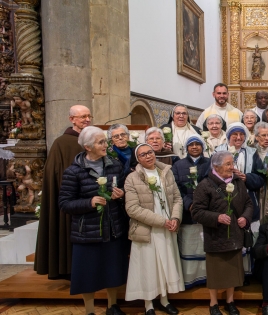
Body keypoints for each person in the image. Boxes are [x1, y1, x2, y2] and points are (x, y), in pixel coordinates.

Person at [58, 126, 129, 315]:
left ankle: (112, 306)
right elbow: (65, 203)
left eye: (105, 141)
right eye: (101, 142)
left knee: (113, 270)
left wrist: (121, 195)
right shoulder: (73, 172)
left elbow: (124, 191)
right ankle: (89, 310)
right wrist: (89, 202)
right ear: (88, 147)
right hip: (87, 231)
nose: (106, 145)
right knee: (87, 274)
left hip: (113, 226)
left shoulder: (115, 165)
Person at [124, 144, 184, 315]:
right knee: (148, 266)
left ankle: (165, 300)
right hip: (147, 229)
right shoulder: (132, 178)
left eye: (150, 152)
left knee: (165, 264)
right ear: (138, 159)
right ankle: (148, 304)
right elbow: (132, 209)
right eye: (143, 154)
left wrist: (175, 218)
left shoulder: (166, 171)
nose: (148, 156)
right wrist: (161, 221)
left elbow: (177, 198)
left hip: (168, 226)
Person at [191, 151, 253, 315]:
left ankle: (230, 301)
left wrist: (245, 218)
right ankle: (213, 304)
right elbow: (196, 212)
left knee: (233, 272)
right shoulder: (205, 185)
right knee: (215, 273)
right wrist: (217, 217)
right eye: (228, 164)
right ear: (216, 166)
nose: (232, 166)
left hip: (235, 235)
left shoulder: (238, 182)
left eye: (232, 163)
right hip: (215, 236)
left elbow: (248, 203)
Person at [35, 105, 91, 280]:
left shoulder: (92, 139)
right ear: (72, 119)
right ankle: (66, 267)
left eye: (89, 116)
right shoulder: (62, 143)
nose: (87, 119)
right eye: (82, 117)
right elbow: (54, 173)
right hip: (71, 198)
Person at [172, 135, 210, 289]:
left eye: (197, 144)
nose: (194, 147)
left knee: (203, 246)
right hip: (188, 213)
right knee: (188, 245)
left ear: (202, 146)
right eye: (191, 145)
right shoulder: (178, 165)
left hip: (206, 212)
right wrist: (189, 204)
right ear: (186, 148)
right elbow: (175, 188)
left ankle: (205, 278)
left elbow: (213, 184)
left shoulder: (209, 163)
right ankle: (190, 279)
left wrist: (203, 205)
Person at [215, 122, 265, 225]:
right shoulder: (218, 152)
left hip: (246, 200)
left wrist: (246, 177)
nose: (238, 137)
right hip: (222, 199)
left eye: (241, 134)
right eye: (235, 134)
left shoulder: (252, 152)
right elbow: (210, 176)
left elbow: (261, 178)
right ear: (229, 136)